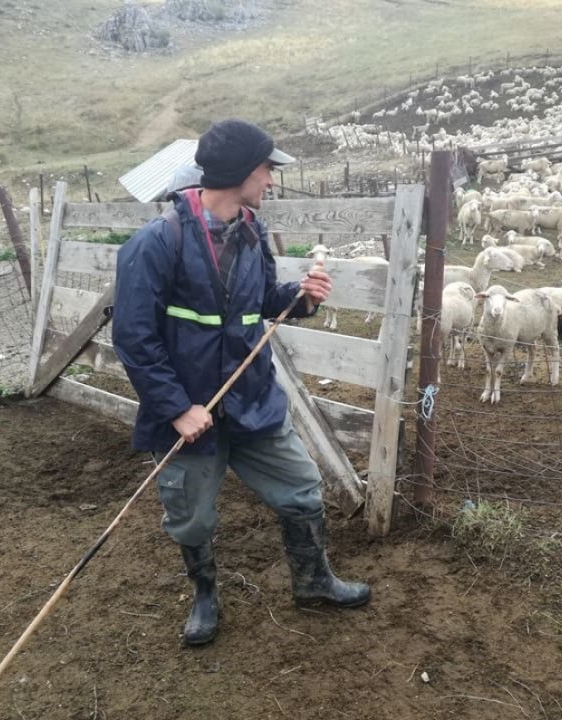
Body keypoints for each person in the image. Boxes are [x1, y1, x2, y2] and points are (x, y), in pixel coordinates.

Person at [112, 119, 371, 646]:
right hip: (190, 415)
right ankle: (205, 596)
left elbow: (257, 305)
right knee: (192, 517)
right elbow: (134, 339)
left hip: (252, 400)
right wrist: (177, 407)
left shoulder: (251, 231)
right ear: (238, 173)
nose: (271, 181)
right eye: (264, 170)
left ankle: (314, 581)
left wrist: (300, 298)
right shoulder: (156, 243)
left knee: (301, 489)